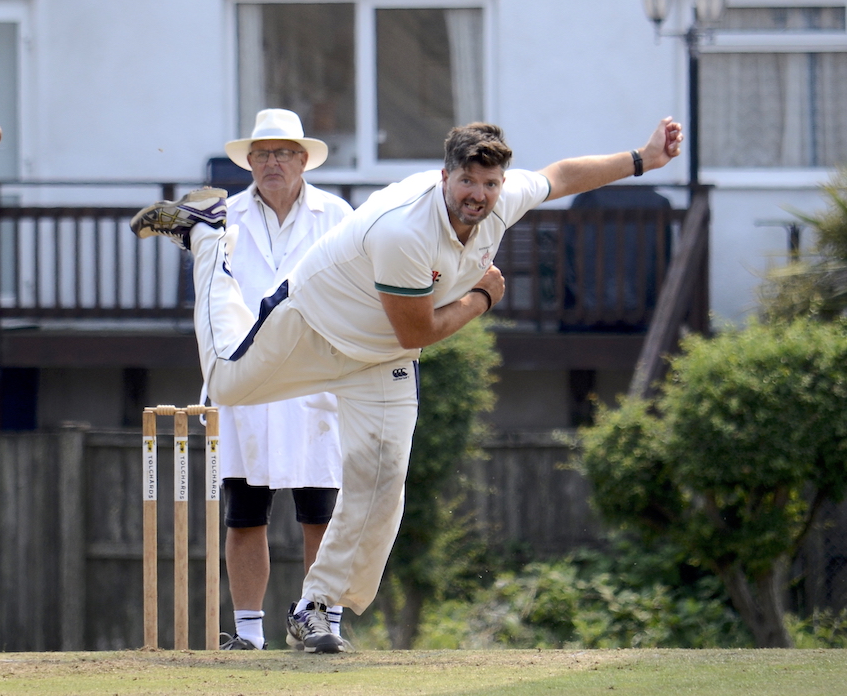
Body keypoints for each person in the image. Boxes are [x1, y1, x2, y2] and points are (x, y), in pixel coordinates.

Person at [132, 116, 684, 654]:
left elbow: (561, 176)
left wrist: (643, 158)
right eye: (468, 181)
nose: (479, 194)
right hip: (314, 326)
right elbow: (420, 329)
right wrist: (482, 298)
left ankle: (317, 607)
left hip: (381, 355)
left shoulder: (502, 198)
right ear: (445, 177)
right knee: (227, 384)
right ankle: (206, 235)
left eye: (490, 184)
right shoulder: (405, 231)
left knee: (382, 481)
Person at [207, 109, 352, 650]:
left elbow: (357, 290)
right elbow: (209, 299)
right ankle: (249, 634)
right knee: (245, 513)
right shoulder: (221, 219)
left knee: (321, 511)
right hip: (246, 377)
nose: (273, 162)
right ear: (248, 161)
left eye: (284, 152)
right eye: (263, 153)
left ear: (302, 159)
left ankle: (323, 623)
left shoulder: (336, 215)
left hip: (315, 375)